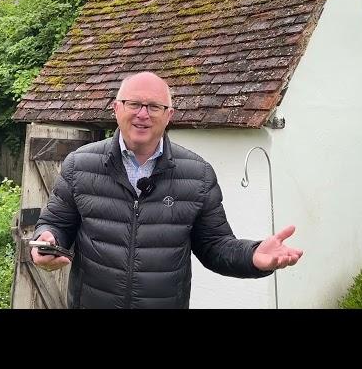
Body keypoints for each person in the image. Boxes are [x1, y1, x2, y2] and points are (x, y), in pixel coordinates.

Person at [31, 71, 303, 309]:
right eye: (134, 104)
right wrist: (47, 240)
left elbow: (215, 247)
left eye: (154, 106)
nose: (142, 114)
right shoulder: (80, 165)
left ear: (169, 115)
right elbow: (56, 223)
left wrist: (253, 256)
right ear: (116, 108)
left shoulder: (198, 174)